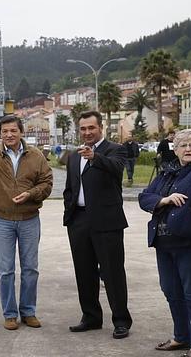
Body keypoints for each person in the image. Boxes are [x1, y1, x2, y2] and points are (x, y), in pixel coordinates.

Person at [138, 129, 191, 357]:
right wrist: (163, 200)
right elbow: (144, 197)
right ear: (175, 150)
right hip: (164, 243)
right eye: (183, 145)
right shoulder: (166, 174)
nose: (188, 149)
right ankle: (181, 337)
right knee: (171, 291)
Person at [0, 115, 53, 330]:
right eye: (5, 131)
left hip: (29, 219)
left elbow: (47, 182)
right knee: (5, 270)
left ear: (21, 132)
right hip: (2, 220)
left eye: (13, 131)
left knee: (30, 268)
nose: (9, 135)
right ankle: (10, 314)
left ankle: (28, 312)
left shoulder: (36, 155)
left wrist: (31, 194)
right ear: (0, 134)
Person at [63, 111, 133, 339]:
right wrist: (70, 214)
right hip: (79, 221)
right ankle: (91, 317)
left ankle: (121, 320)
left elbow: (116, 169)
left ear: (101, 128)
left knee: (112, 273)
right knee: (84, 272)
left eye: (91, 128)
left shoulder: (115, 149)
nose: (87, 132)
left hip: (106, 222)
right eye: (83, 129)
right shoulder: (74, 156)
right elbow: (70, 187)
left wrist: (95, 157)